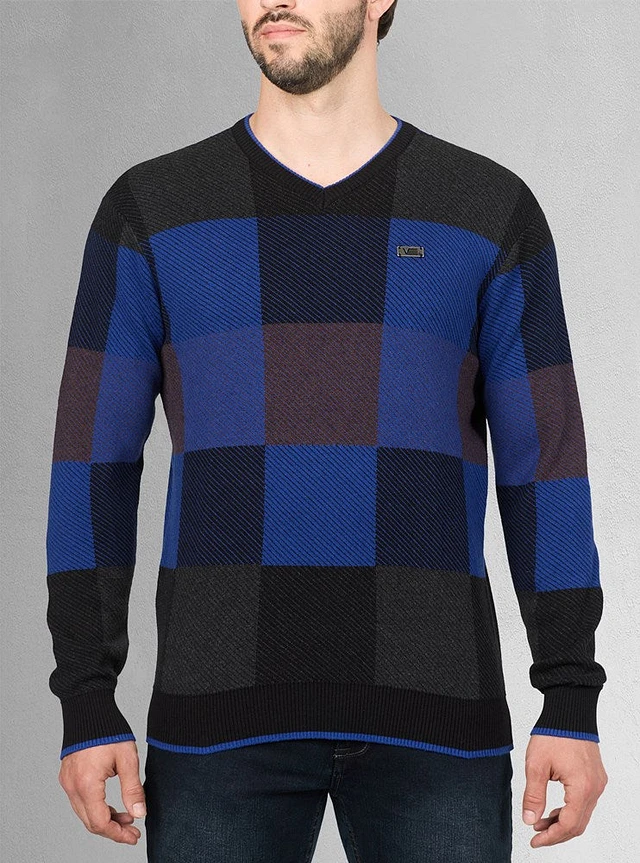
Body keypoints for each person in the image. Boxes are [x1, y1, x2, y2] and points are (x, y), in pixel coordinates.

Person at [46, 1, 608, 860]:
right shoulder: (153, 211)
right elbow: (92, 464)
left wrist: (569, 694)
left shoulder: (486, 210)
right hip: (217, 720)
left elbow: (547, 465)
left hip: (437, 720)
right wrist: (87, 698)